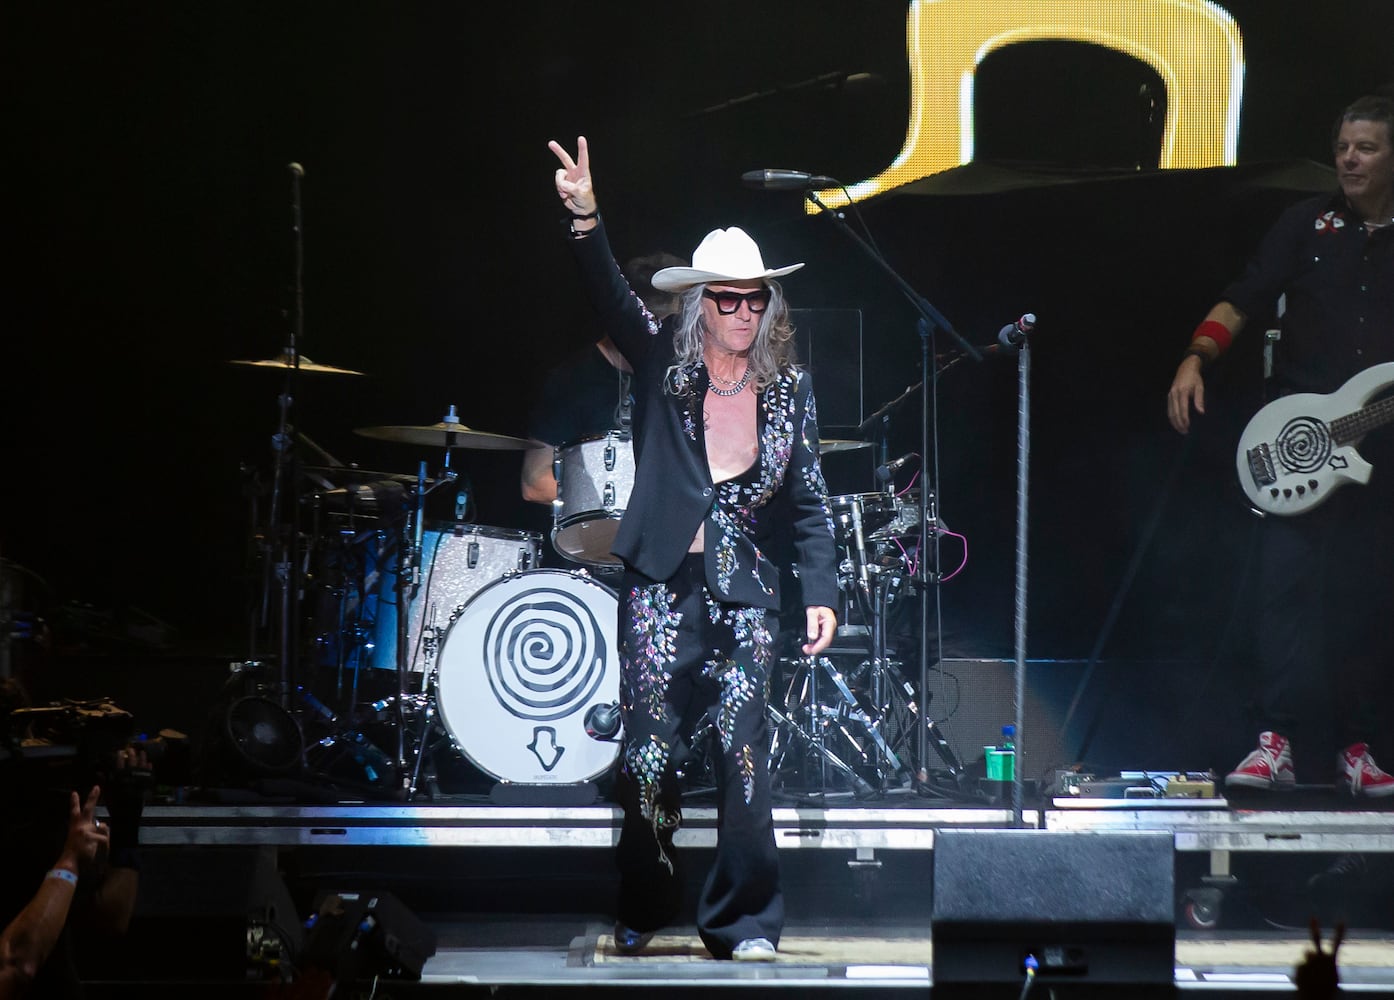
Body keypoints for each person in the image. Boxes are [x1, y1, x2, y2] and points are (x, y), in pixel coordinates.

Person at [547, 135, 840, 961]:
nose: (743, 315)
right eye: (728, 301)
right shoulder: (660, 367)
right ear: (701, 302)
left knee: (744, 752)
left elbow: (810, 500)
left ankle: (744, 922)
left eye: (756, 302)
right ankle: (645, 904)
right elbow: (607, 292)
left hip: (747, 593)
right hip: (659, 588)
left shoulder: (789, 396)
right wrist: (586, 216)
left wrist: (819, 589)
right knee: (649, 754)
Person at [1166, 93, 1394, 797]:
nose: (1350, 158)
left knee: (1365, 599)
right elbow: (1244, 297)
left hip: (1378, 449)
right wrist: (1195, 358)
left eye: (1367, 147)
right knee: (1283, 596)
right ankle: (1278, 743)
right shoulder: (1306, 225)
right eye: (1344, 145)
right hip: (1298, 439)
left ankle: (1360, 748)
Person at [520, 251, 687, 577]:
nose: (663, 334)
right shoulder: (571, 380)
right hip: (593, 557)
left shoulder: (682, 378)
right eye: (655, 321)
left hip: (668, 553)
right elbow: (533, 482)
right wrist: (616, 503)